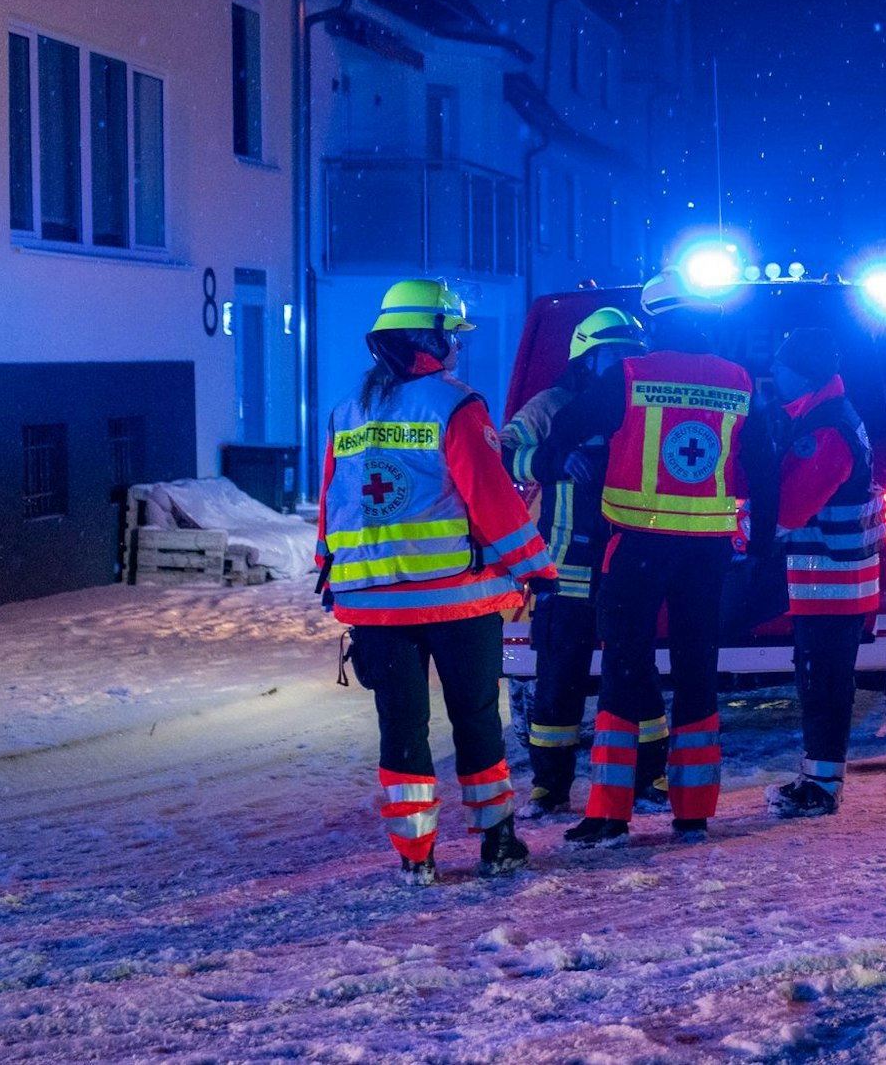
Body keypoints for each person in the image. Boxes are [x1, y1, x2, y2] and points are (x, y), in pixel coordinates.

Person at [316, 279, 555, 885]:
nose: (457, 346)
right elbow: (492, 499)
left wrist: (332, 574)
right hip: (456, 598)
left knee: (401, 728)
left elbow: (332, 505)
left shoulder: (348, 410)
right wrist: (536, 569)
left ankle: (414, 856)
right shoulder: (455, 405)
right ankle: (497, 842)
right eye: (453, 334)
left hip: (372, 604)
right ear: (432, 337)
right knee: (475, 717)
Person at [542, 268, 777, 847]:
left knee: (624, 670)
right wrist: (763, 547)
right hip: (708, 554)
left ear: (655, 321)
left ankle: (610, 812)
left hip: (637, 547)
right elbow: (766, 471)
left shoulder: (630, 375)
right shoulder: (739, 380)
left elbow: (564, 426)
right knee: (698, 672)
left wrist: (557, 464)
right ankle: (693, 811)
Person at [500, 306, 657, 817]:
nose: (624, 365)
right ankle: (550, 788)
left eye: (633, 355)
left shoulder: (643, 404)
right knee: (557, 681)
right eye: (614, 354)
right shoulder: (551, 407)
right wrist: (550, 461)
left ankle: (648, 778)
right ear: (587, 359)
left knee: (635, 675)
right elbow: (499, 454)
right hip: (565, 565)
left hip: (626, 564)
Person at [761, 330, 883, 818]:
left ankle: (822, 788)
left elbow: (789, 508)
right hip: (836, 584)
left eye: (781, 367)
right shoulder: (829, 415)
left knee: (823, 684)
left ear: (803, 372)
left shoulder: (825, 431)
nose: (774, 376)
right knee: (823, 681)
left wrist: (742, 527)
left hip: (830, 586)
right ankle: (818, 780)